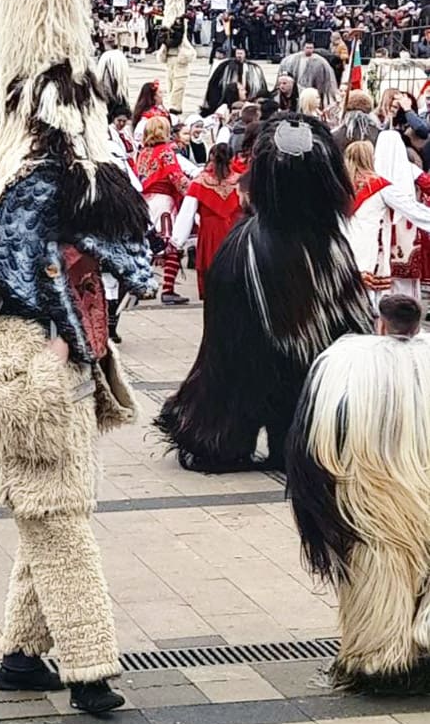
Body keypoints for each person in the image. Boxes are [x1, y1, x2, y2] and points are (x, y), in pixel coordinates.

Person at [156, 116, 373, 471]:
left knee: (237, 372)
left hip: (252, 327)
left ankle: (230, 438)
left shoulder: (246, 246)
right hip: (304, 363)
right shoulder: (329, 247)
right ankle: (291, 441)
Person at [286, 294, 430, 693]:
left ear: (379, 323)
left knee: (378, 571)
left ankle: (380, 660)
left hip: (368, 496)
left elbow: (309, 449)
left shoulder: (343, 362)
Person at [161, 143, 242, 305]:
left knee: (212, 275)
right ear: (232, 159)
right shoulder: (240, 182)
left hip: (211, 234)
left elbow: (187, 214)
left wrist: (177, 240)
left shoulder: (199, 183)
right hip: (236, 233)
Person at [372, 129, 430, 301]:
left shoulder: (373, 171)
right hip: (407, 228)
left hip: (380, 229)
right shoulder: (411, 169)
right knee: (406, 284)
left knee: (381, 278)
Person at [136, 116, 192, 241]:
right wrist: (195, 191)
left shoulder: (143, 152)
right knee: (164, 240)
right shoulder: (166, 151)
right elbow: (176, 177)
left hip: (144, 201)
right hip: (162, 202)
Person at [201, 48, 267, 114]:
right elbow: (214, 84)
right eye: (238, 53)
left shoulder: (254, 68)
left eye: (241, 53)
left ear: (245, 54)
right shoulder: (224, 66)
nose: (239, 56)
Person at [278, 42, 338, 110]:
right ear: (303, 48)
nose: (309, 50)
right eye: (307, 47)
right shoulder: (292, 60)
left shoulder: (320, 62)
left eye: (311, 48)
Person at [131, 80, 169, 147]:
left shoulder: (161, 111)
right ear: (154, 96)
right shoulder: (147, 117)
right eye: (160, 93)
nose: (162, 95)